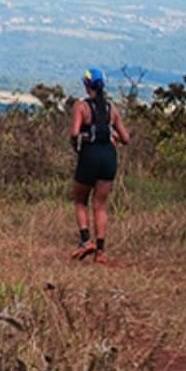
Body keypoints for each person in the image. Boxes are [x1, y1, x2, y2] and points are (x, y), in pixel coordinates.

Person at [68, 68, 130, 262]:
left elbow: (74, 133)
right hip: (109, 157)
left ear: (87, 86)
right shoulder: (112, 109)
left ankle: (86, 241)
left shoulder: (81, 107)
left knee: (80, 200)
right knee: (100, 204)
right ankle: (101, 251)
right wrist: (111, 136)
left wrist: (77, 146)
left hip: (90, 155)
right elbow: (126, 138)